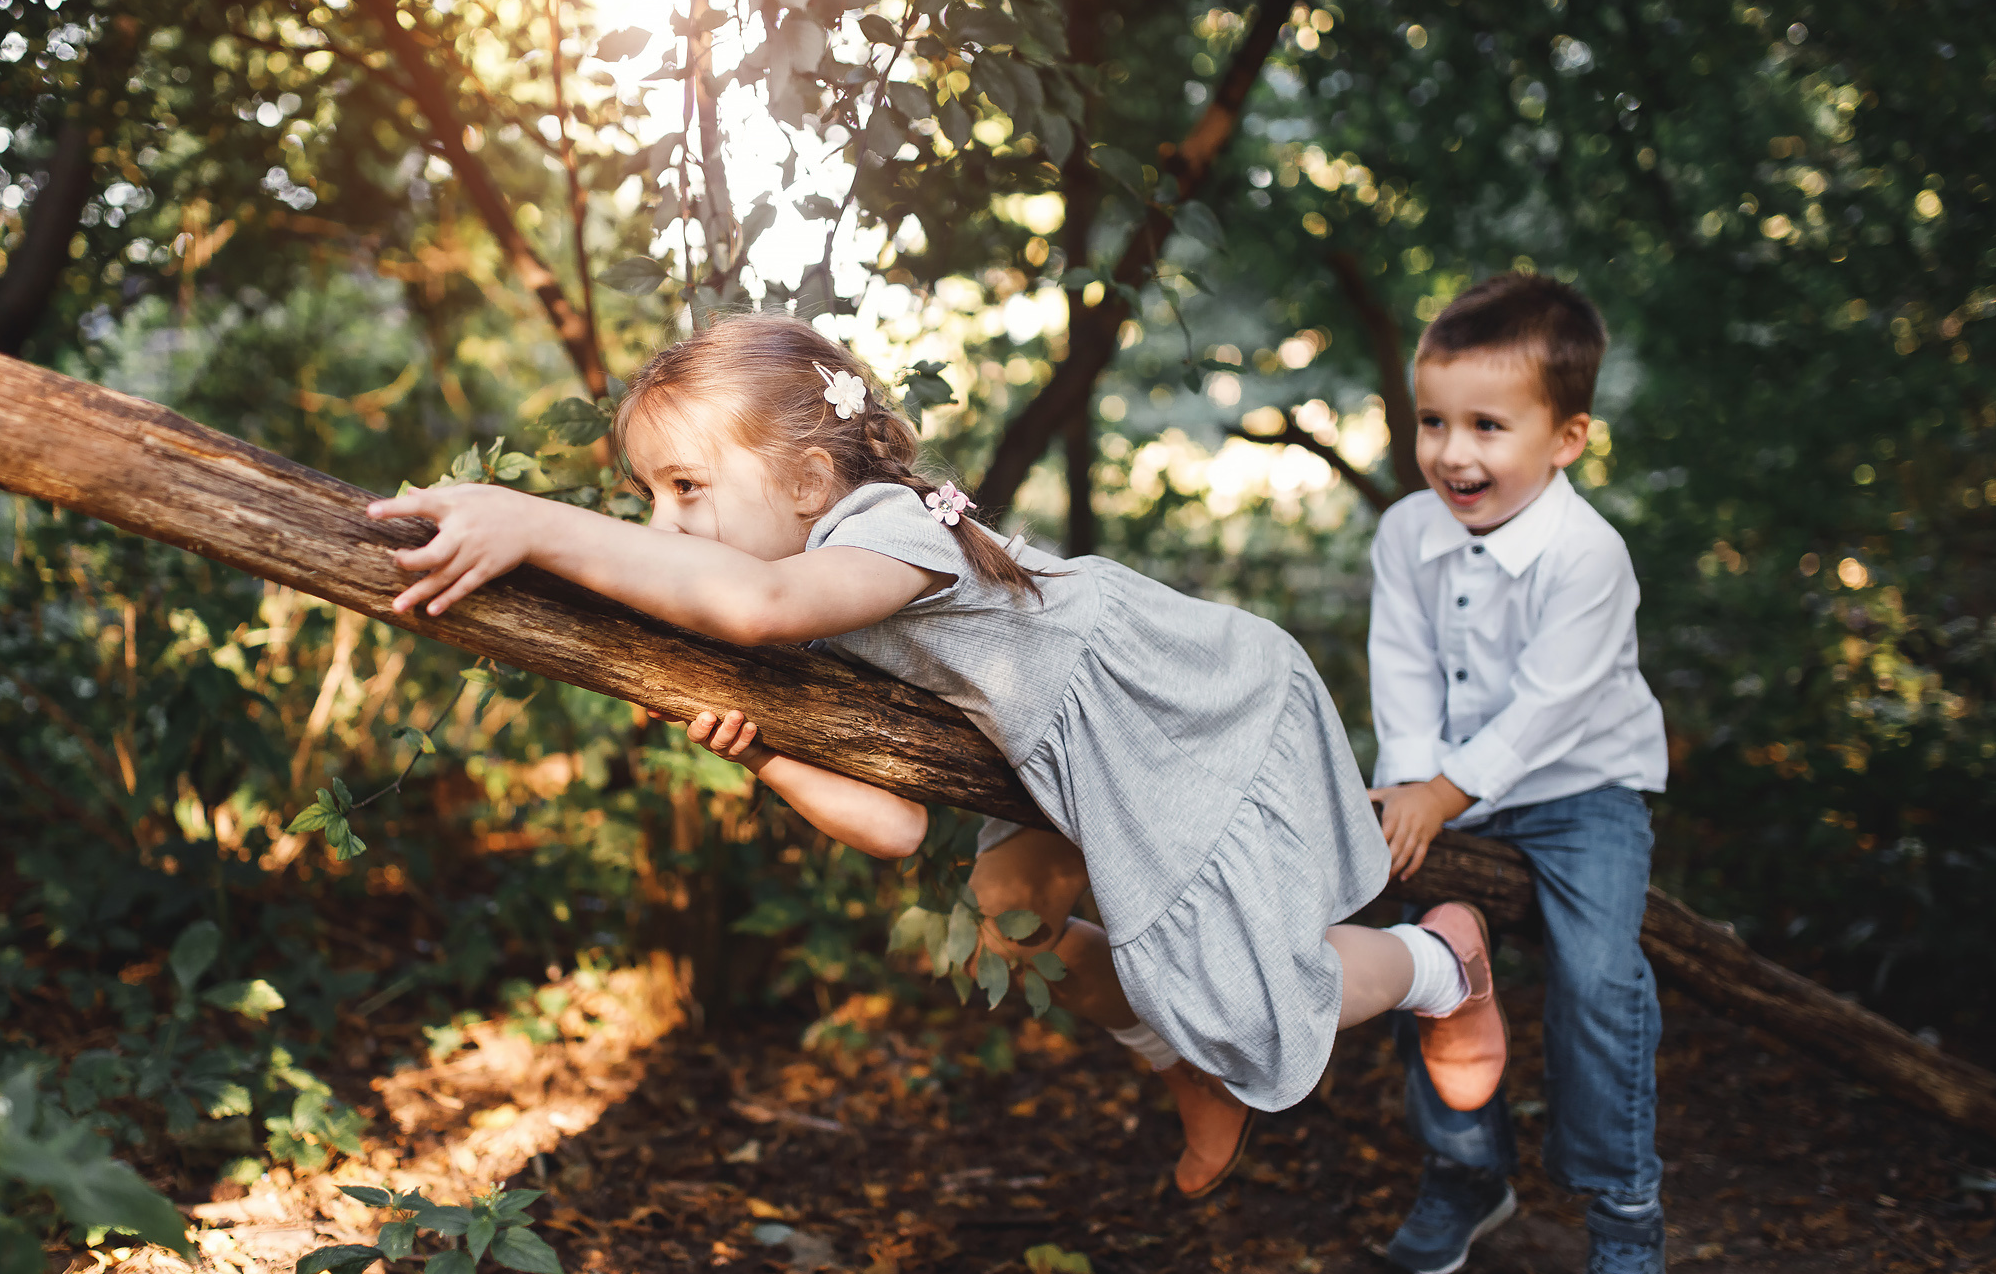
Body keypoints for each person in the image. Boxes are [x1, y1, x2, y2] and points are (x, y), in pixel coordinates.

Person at [369, 314, 1506, 1195]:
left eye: (685, 490)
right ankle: (1186, 1068)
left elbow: (752, 599)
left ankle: (1438, 967)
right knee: (1002, 941)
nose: (662, 527)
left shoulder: (881, 535)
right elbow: (897, 827)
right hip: (1049, 747)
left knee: (1246, 1001)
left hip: (1173, 703)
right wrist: (770, 759)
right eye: (645, 499)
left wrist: (535, 520)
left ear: (811, 482)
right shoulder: (818, 597)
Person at [1364, 272, 1671, 1274]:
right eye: (1434, 421)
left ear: (1567, 436)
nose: (1454, 452)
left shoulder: (1588, 557)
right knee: (1431, 961)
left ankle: (1622, 1202)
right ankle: (1463, 1168)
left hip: (1581, 789)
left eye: (1488, 426)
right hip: (1449, 791)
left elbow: (1551, 708)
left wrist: (1440, 791)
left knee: (1598, 979)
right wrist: (1412, 786)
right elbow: (1399, 663)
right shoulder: (1407, 532)